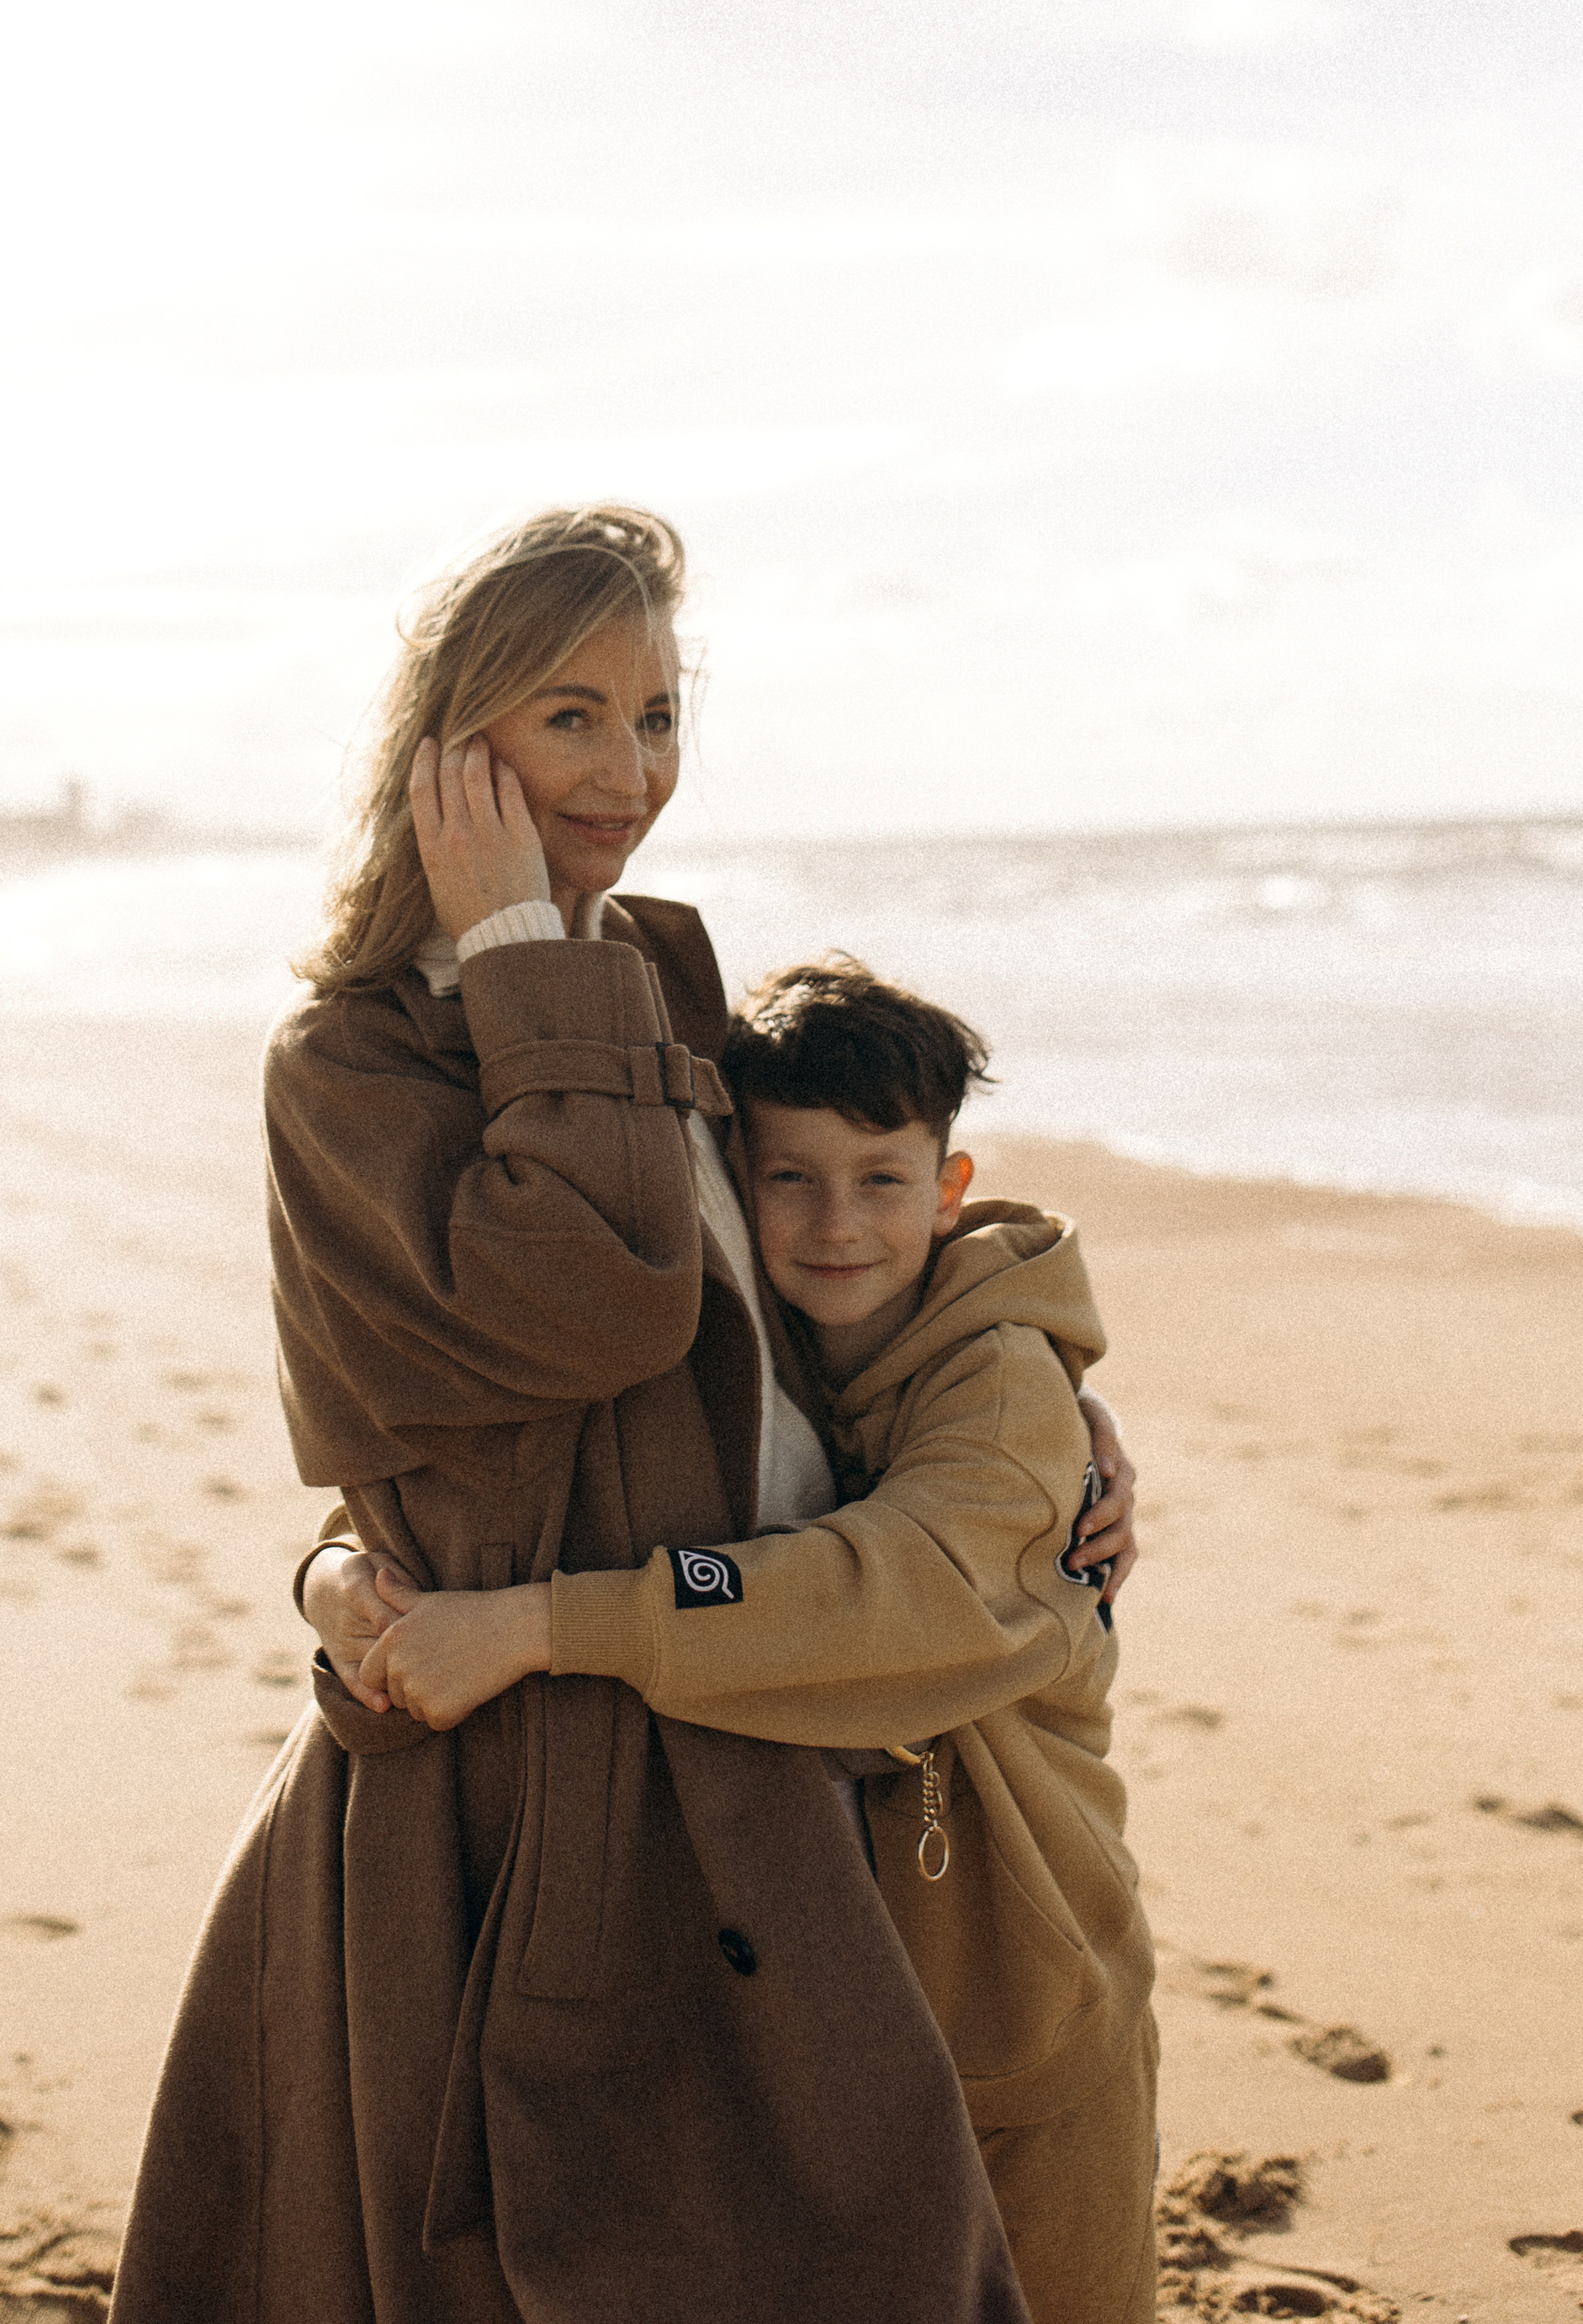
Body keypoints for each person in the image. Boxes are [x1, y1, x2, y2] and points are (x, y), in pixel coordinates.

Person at [107, 505, 1035, 2324]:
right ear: (451, 744)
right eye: (569, 717)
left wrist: (1027, 1394)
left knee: (860, 2229)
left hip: (734, 1715)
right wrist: (526, 962)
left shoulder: (665, 988)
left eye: (659, 716)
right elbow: (589, 1309)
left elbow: (829, 1257)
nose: (630, 772)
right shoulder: (347, 1063)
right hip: (498, 1787)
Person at [336, 958, 1157, 2324]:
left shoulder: (1007, 1381)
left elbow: (877, 1589)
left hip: (1024, 1976)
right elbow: (479, 1496)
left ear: (948, 1193)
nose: (838, 1223)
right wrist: (333, 1581)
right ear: (728, 1183)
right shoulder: (747, 1363)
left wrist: (549, 1626)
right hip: (812, 1984)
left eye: (883, 1180)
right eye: (791, 1179)